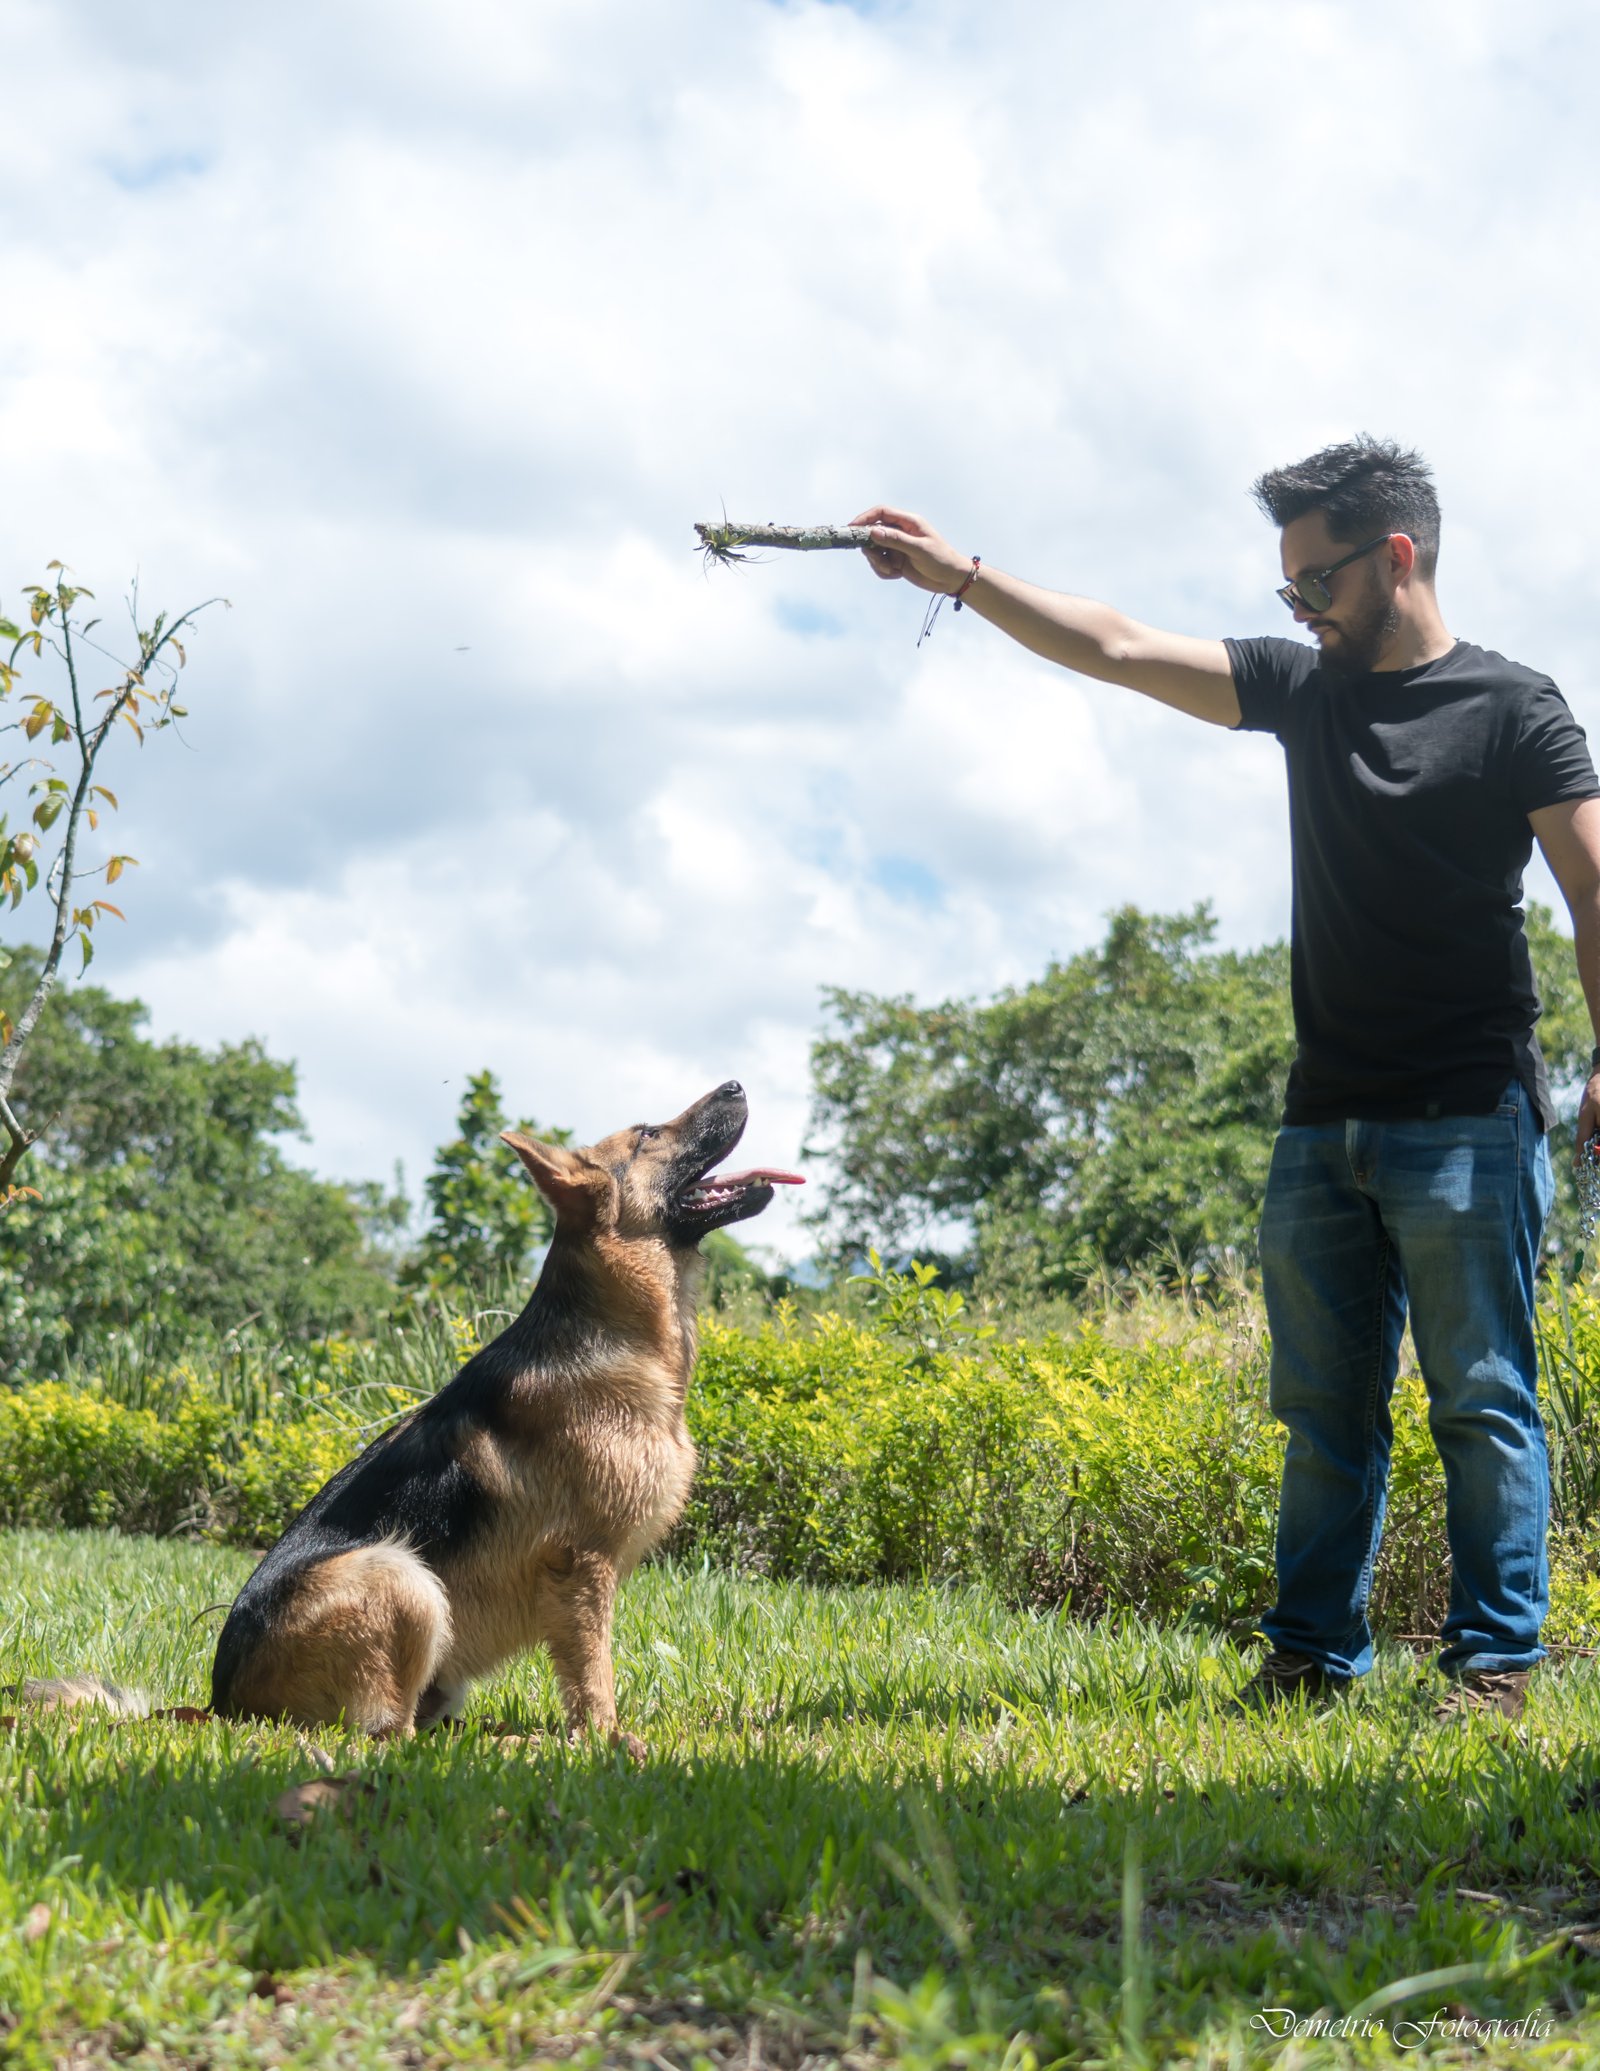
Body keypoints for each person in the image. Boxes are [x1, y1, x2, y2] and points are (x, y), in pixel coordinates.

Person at [852, 439, 1600, 1718]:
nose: (1299, 610)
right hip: (1320, 1124)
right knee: (1322, 1412)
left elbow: (1592, 889)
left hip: (1470, 1121)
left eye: (1315, 582)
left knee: (1480, 1401)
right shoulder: (1304, 691)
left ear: (1397, 558)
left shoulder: (1513, 708)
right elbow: (1121, 647)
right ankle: (1309, 1656)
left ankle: (1493, 1664)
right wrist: (961, 576)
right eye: (1287, 591)